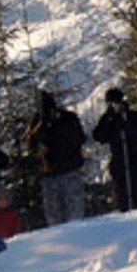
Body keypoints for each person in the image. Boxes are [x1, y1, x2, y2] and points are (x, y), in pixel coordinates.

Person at [25, 91, 87, 227]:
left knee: (74, 216)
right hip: (50, 175)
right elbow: (30, 144)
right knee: (54, 219)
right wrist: (42, 125)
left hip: (70, 171)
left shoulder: (68, 118)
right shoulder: (38, 121)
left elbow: (80, 138)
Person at [93, 87, 137, 212]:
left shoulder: (134, 116)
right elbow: (99, 136)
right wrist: (108, 118)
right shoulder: (109, 119)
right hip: (120, 164)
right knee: (123, 198)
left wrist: (127, 126)